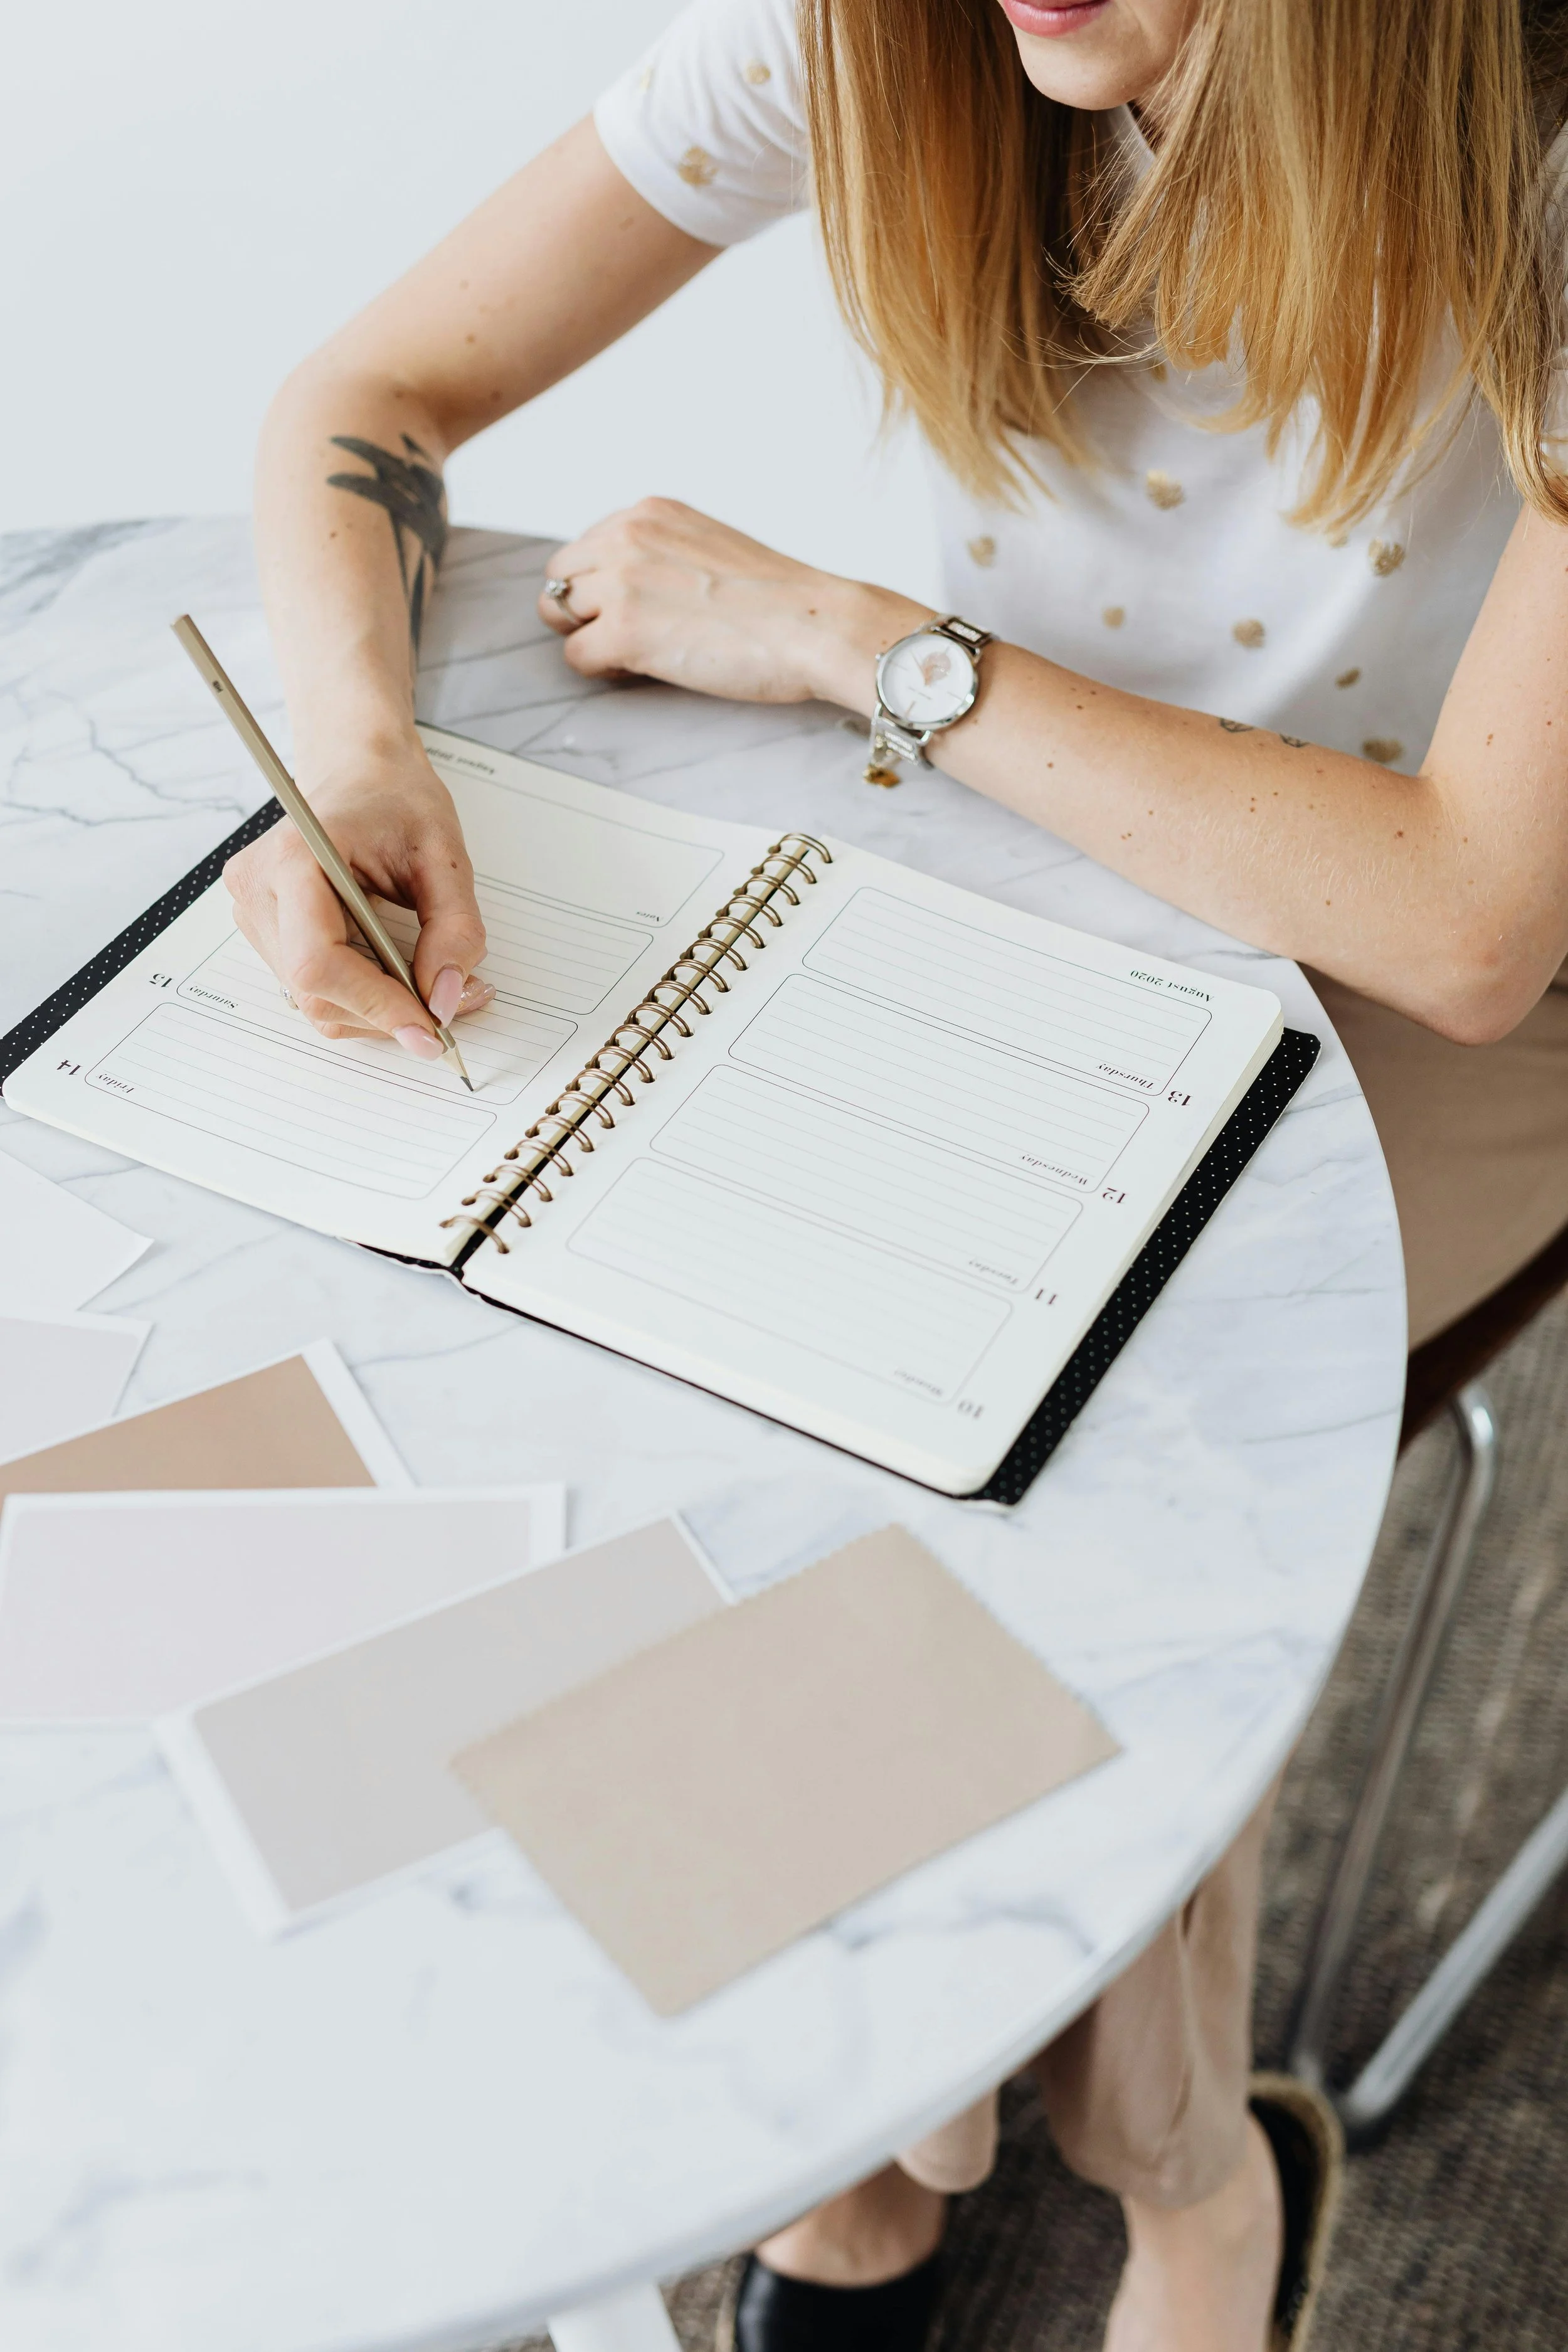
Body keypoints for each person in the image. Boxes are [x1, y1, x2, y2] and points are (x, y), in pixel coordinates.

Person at [236, 1, 1568, 2344]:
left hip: (1441, 1006)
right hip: (1046, 895)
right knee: (704, 1353)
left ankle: (1161, 2183)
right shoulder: (892, 39)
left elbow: (1465, 923)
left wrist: (857, 642)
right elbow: (365, 400)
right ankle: (887, 2158)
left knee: (1054, 1460)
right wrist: (349, 753)